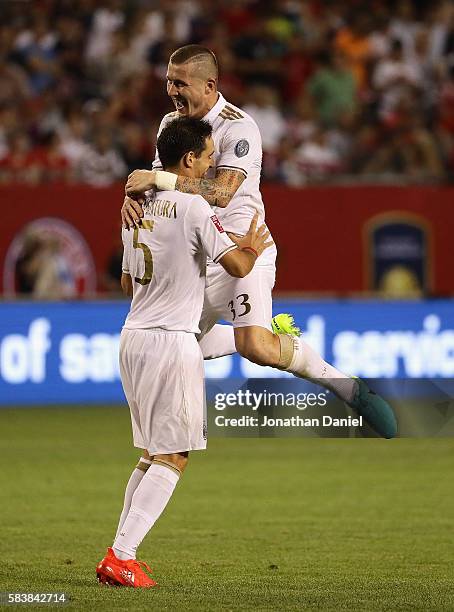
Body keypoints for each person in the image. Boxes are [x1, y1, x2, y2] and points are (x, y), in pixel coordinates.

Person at [123, 45, 397, 439]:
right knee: (173, 342)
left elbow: (220, 193)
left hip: (243, 250)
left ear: (209, 85)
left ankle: (347, 388)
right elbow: (155, 183)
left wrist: (158, 181)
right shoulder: (171, 123)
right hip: (194, 257)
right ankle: (255, 334)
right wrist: (132, 202)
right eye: (168, 81)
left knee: (257, 347)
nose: (171, 90)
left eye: (179, 83)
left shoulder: (239, 128)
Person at [96, 116, 272, 588]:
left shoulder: (137, 206)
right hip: (172, 342)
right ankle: (122, 555)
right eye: (209, 157)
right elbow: (234, 263)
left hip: (133, 336)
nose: (212, 165)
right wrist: (253, 248)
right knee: (174, 456)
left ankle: (120, 550)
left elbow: (126, 280)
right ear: (189, 159)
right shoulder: (193, 207)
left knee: (152, 453)